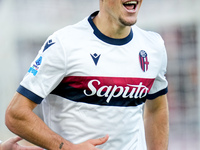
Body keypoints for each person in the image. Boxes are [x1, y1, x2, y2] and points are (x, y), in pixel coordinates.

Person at [5, 0, 169, 149]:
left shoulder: (153, 46)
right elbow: (16, 114)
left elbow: (157, 108)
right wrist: (68, 148)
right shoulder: (64, 44)